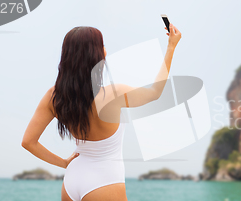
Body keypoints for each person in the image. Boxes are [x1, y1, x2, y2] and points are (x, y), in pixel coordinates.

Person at [21, 23, 181, 201]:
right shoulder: (114, 94)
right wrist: (171, 46)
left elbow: (28, 142)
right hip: (105, 182)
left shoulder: (54, 96)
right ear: (97, 54)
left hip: (72, 180)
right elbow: (155, 93)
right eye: (102, 46)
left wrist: (64, 163)